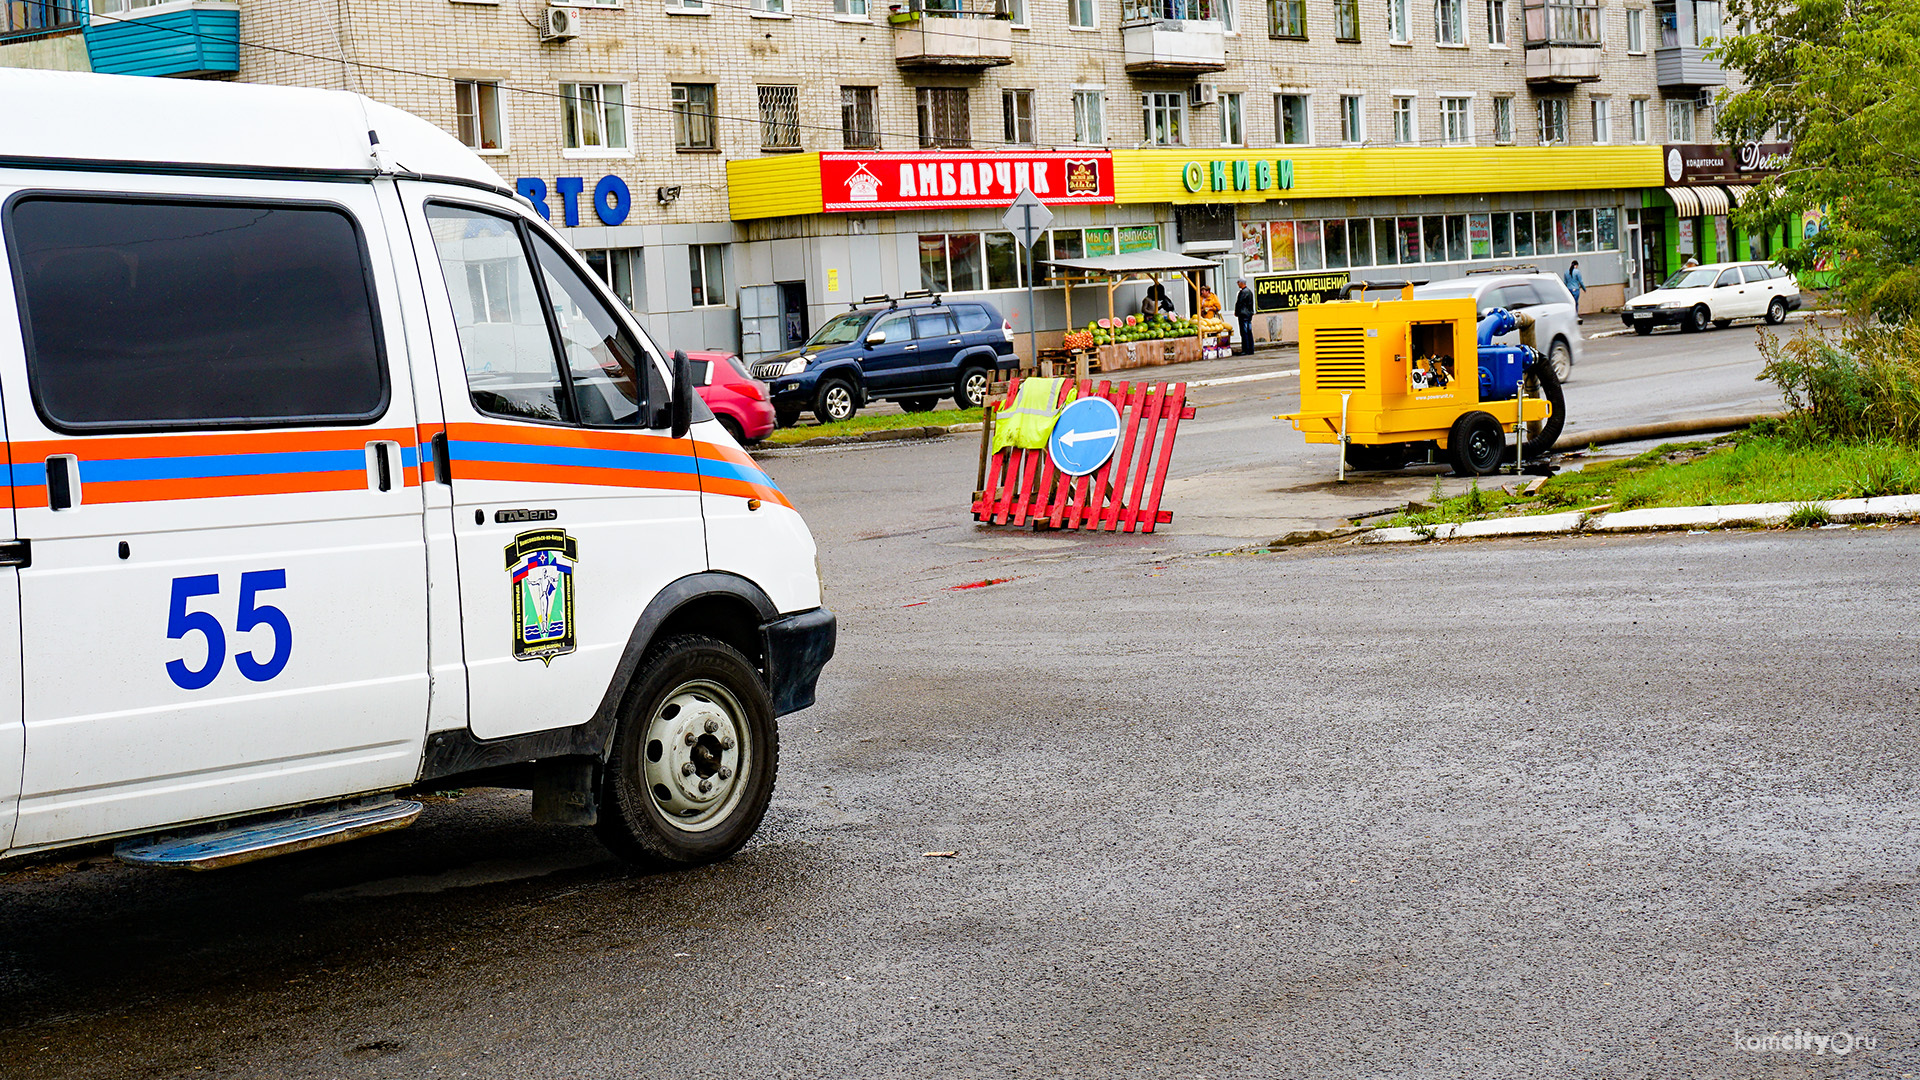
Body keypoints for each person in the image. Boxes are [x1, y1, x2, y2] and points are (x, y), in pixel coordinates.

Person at [1235, 279, 1255, 354]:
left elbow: (1239, 303)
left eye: (1238, 283)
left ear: (1241, 283)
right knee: (1249, 331)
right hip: (1249, 314)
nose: (1237, 284)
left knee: (1244, 332)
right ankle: (1251, 349)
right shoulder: (1249, 291)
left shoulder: (1243, 292)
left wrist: (1237, 312)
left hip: (1243, 314)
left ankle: (1246, 349)